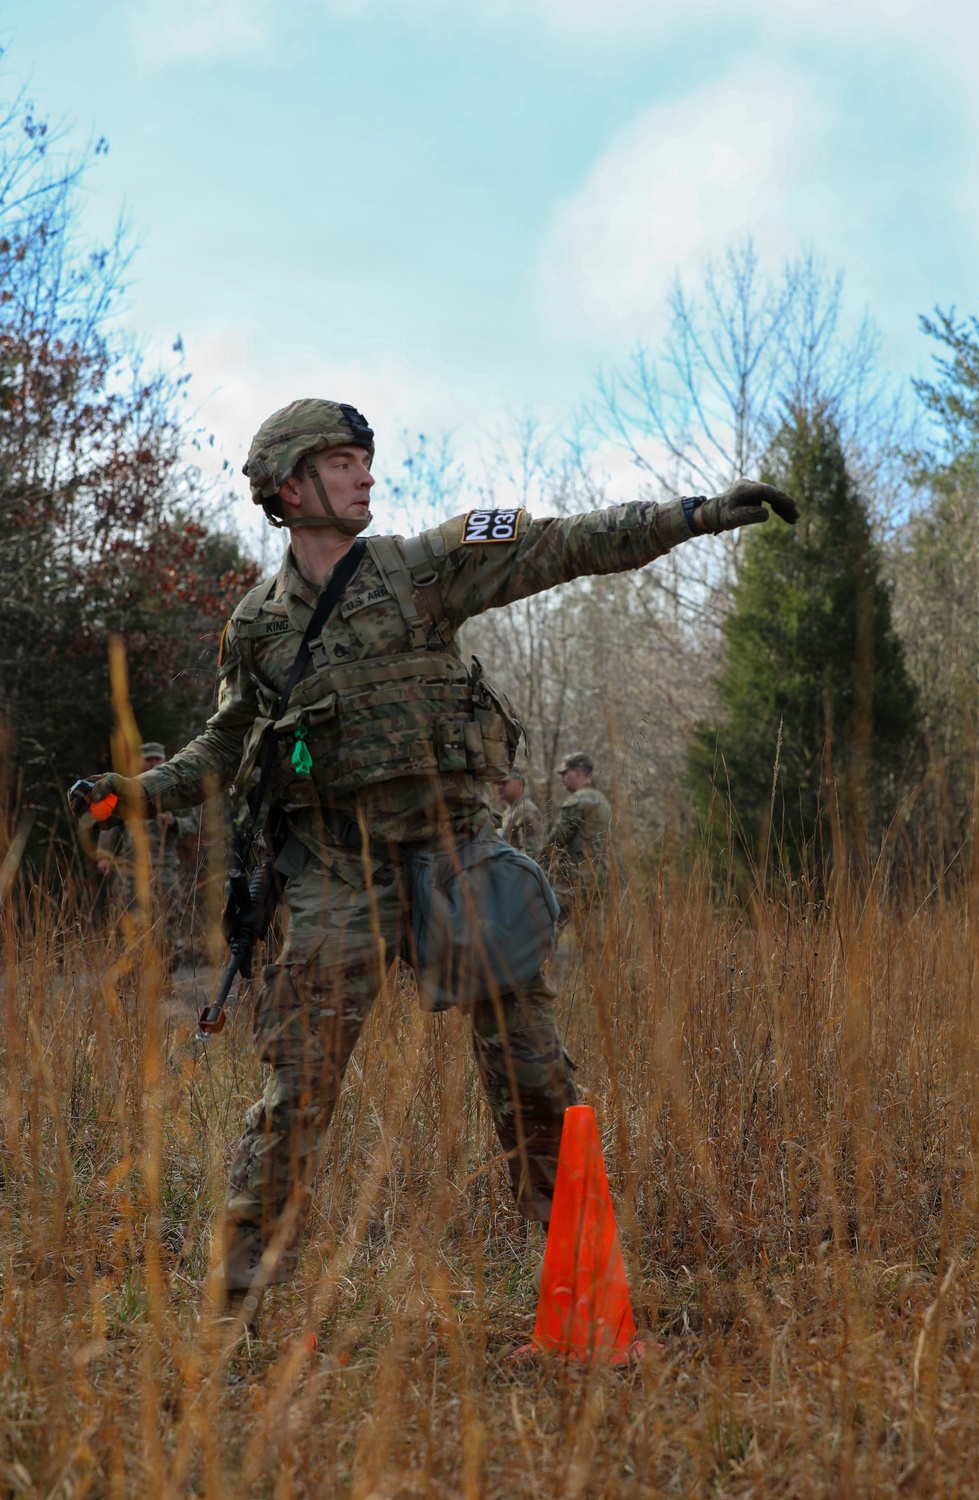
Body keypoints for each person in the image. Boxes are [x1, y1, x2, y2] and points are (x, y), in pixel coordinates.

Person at [73, 398, 797, 1326]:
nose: (367, 475)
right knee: (296, 1092)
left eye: (365, 461)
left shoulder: (423, 570)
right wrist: (136, 795)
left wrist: (690, 516)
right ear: (291, 486)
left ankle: (581, 1302)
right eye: (342, 462)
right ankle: (231, 1313)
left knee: (536, 1076)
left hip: (463, 865)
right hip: (338, 873)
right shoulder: (255, 626)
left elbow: (561, 545)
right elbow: (224, 746)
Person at [96, 740, 200, 961]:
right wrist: (104, 856)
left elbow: (193, 823)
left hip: (165, 866)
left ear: (164, 760)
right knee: (129, 916)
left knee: (169, 915)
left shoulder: (176, 787)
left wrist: (174, 823)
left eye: (157, 759)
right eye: (148, 759)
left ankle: (167, 965)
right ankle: (129, 969)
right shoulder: (127, 788)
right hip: (131, 866)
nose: (152, 763)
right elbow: (108, 823)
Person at [545, 751, 613, 930]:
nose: (562, 779)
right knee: (592, 934)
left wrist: (541, 861)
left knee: (546, 925)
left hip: (577, 881)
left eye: (564, 773)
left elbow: (558, 837)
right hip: (600, 879)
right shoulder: (603, 801)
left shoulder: (579, 800)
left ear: (577, 772)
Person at [497, 763, 544, 858]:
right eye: (498, 783)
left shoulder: (527, 811)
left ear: (519, 784)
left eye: (504, 783)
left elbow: (532, 854)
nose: (500, 787)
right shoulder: (509, 811)